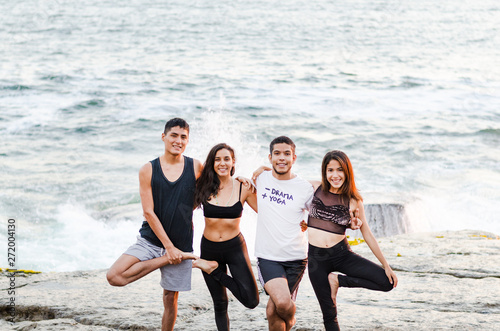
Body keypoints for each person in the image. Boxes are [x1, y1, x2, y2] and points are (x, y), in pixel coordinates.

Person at [106, 118, 203, 331]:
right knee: (114, 276)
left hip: (182, 242)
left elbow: (217, 186)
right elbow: (148, 212)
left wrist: (254, 174)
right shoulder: (148, 169)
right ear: (164, 137)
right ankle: (164, 259)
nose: (178, 141)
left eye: (183, 137)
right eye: (174, 136)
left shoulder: (195, 166)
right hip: (150, 240)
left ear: (188, 140)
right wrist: (169, 251)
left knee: (170, 298)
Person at [305, 150, 398, 331]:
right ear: (324, 172)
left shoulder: (354, 201)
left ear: (347, 171)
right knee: (329, 315)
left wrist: (386, 265)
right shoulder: (314, 188)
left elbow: (367, 234)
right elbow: (285, 181)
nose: (335, 175)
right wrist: (262, 170)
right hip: (317, 260)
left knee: (387, 283)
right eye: (330, 170)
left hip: (341, 254)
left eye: (339, 170)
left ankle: (338, 280)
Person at [191, 143, 259, 331]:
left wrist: (261, 171)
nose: (222, 163)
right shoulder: (203, 186)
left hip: (235, 248)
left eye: (226, 159)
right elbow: (182, 210)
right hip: (209, 248)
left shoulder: (243, 187)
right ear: (212, 163)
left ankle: (214, 271)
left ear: (233, 162)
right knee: (220, 303)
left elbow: (267, 212)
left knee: (251, 300)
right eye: (217, 159)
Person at [252, 136, 315, 331]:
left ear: (294, 158)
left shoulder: (304, 188)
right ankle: (292, 319)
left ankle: (288, 320)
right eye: (277, 154)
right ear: (269, 157)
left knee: (272, 311)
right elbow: (242, 190)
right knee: (281, 303)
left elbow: (319, 215)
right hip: (269, 257)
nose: (282, 158)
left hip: (296, 258)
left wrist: (309, 224)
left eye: (287, 154)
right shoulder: (260, 179)